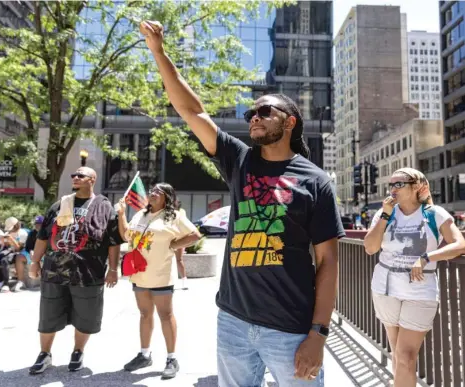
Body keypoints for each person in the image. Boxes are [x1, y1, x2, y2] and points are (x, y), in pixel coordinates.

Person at [141, 20, 345, 386]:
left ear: (290, 122)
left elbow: (328, 263)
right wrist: (158, 53)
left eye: (265, 112)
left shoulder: (315, 180)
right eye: (252, 113)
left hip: (291, 329)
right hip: (233, 322)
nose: (255, 117)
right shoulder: (240, 160)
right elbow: (192, 112)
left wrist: (318, 334)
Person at [364, 168, 465, 387]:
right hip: (385, 289)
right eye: (391, 184)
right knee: (399, 356)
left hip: (420, 291)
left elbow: (459, 244)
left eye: (399, 184)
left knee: (407, 357)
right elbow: (371, 248)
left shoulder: (434, 213)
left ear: (416, 186)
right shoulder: (384, 213)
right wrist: (384, 215)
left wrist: (427, 257)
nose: (393, 189)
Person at [27, 166, 122, 375]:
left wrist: (113, 269)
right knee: (48, 314)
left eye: (81, 175)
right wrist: (35, 262)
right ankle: (45, 353)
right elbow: (43, 236)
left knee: (86, 315)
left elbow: (114, 241)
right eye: (74, 175)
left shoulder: (103, 206)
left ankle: (78, 351)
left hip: (88, 272)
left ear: (92, 180)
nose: (75, 178)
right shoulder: (60, 204)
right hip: (54, 271)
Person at [117, 183, 200, 379]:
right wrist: (121, 214)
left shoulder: (175, 216)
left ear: (167, 198)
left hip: (161, 274)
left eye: (158, 192)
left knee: (165, 315)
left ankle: (172, 358)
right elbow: (127, 235)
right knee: (145, 314)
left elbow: (195, 235)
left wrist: (174, 244)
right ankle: (144, 354)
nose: (152, 193)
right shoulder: (140, 214)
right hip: (139, 274)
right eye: (152, 190)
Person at [0, 216, 29, 293]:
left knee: (4, 260)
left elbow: (19, 248)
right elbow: (4, 247)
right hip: (7, 252)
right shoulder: (7, 233)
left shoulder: (22, 233)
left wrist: (12, 240)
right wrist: (2, 241)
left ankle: (6, 284)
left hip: (18, 253)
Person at [174, 199, 188, 289]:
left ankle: (184, 280)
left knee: (179, 260)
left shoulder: (181, 212)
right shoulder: (166, 211)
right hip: (169, 237)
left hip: (179, 238)